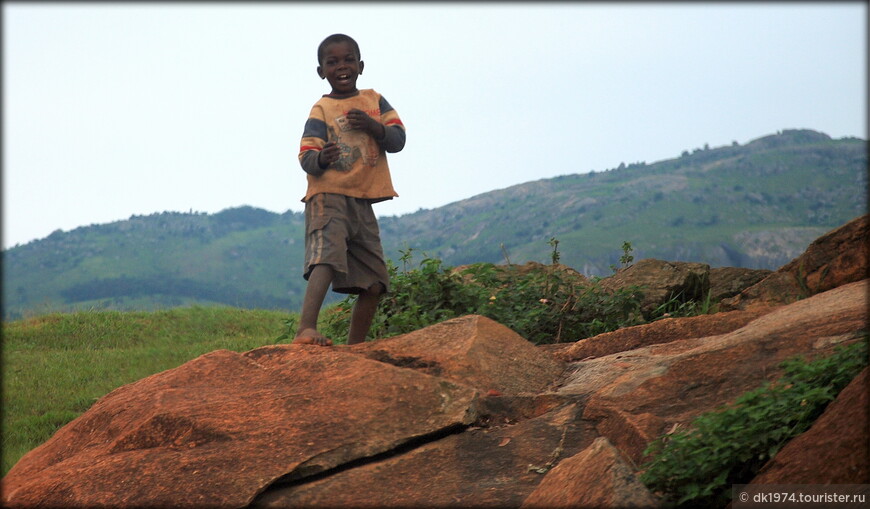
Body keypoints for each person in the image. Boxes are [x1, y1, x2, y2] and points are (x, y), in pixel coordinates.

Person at [293, 34, 406, 346]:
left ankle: (355, 348)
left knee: (374, 283)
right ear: (322, 72)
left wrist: (373, 126)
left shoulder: (375, 101)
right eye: (332, 62)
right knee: (325, 258)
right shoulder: (322, 109)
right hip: (327, 196)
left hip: (363, 199)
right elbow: (305, 156)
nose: (341, 66)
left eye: (348, 60)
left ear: (361, 66)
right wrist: (321, 158)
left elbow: (397, 140)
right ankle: (306, 329)